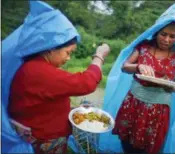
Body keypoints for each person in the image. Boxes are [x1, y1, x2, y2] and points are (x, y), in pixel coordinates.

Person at [2, 1, 110, 154]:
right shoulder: (40, 72)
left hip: (36, 128)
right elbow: (86, 83)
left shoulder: (31, 66)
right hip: (45, 138)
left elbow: (41, 100)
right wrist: (99, 56)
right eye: (68, 52)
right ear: (51, 48)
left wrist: (71, 109)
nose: (68, 59)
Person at [98, 3, 175, 154]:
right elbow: (124, 66)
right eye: (163, 34)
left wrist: (174, 87)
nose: (167, 39)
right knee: (127, 141)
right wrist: (138, 66)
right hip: (134, 103)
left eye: (172, 36)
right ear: (156, 32)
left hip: (158, 110)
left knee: (150, 146)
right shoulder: (144, 46)